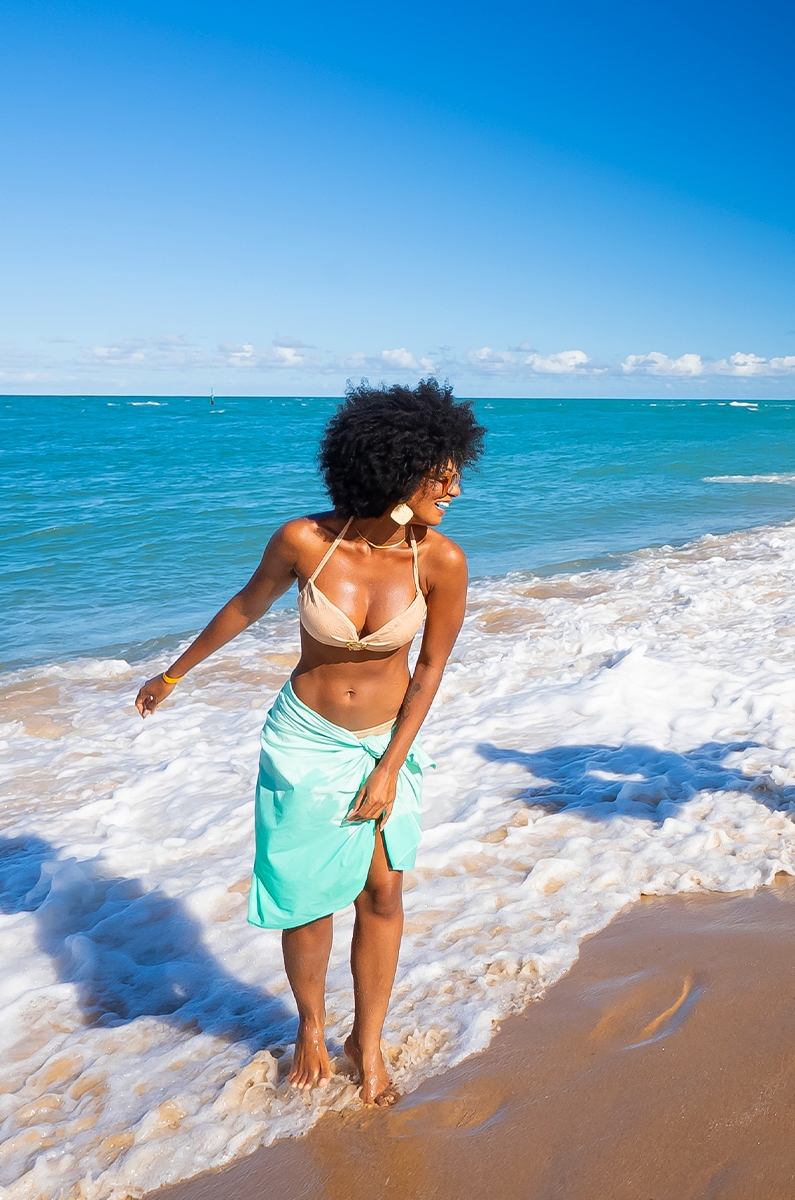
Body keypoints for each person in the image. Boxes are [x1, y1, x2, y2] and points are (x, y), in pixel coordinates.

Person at [134, 377, 484, 1103]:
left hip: (385, 739)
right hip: (303, 736)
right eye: (438, 471)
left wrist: (390, 766)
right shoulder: (305, 541)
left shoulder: (441, 560)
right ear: (392, 465)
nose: (452, 486)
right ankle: (310, 1025)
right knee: (307, 898)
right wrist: (173, 675)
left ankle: (370, 1041)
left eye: (456, 469)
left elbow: (431, 668)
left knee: (382, 891)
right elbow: (244, 605)